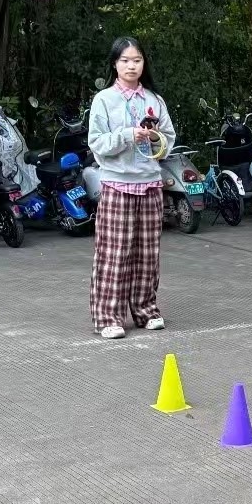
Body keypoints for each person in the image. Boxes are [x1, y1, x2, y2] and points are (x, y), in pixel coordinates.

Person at [88, 37, 176, 339]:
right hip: (117, 185)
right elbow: (97, 143)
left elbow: (168, 140)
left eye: (137, 60)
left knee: (148, 254)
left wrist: (154, 138)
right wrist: (128, 135)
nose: (131, 66)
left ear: (143, 63)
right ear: (115, 64)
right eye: (125, 60)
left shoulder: (154, 99)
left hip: (150, 184)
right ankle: (108, 318)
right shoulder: (104, 100)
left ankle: (146, 310)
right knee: (114, 254)